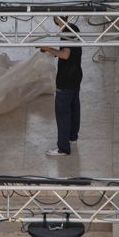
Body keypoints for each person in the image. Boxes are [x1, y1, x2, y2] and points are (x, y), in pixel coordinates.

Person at [41, 16, 82, 157]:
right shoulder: (74, 28)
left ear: (57, 18)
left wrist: (48, 49)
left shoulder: (66, 32)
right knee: (74, 106)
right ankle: (72, 137)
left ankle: (63, 148)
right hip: (76, 75)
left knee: (63, 113)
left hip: (66, 78)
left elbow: (65, 55)